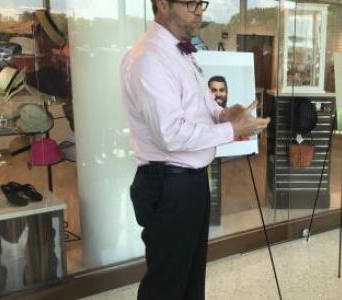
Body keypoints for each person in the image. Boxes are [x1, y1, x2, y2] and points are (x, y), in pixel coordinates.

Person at [120, 0, 270, 299]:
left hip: (189, 182)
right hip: (169, 185)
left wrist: (224, 114)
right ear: (162, 4)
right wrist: (232, 130)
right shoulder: (149, 58)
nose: (200, 10)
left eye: (202, 3)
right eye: (190, 3)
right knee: (166, 285)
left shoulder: (182, 53)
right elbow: (170, 135)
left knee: (189, 279)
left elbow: (200, 107)